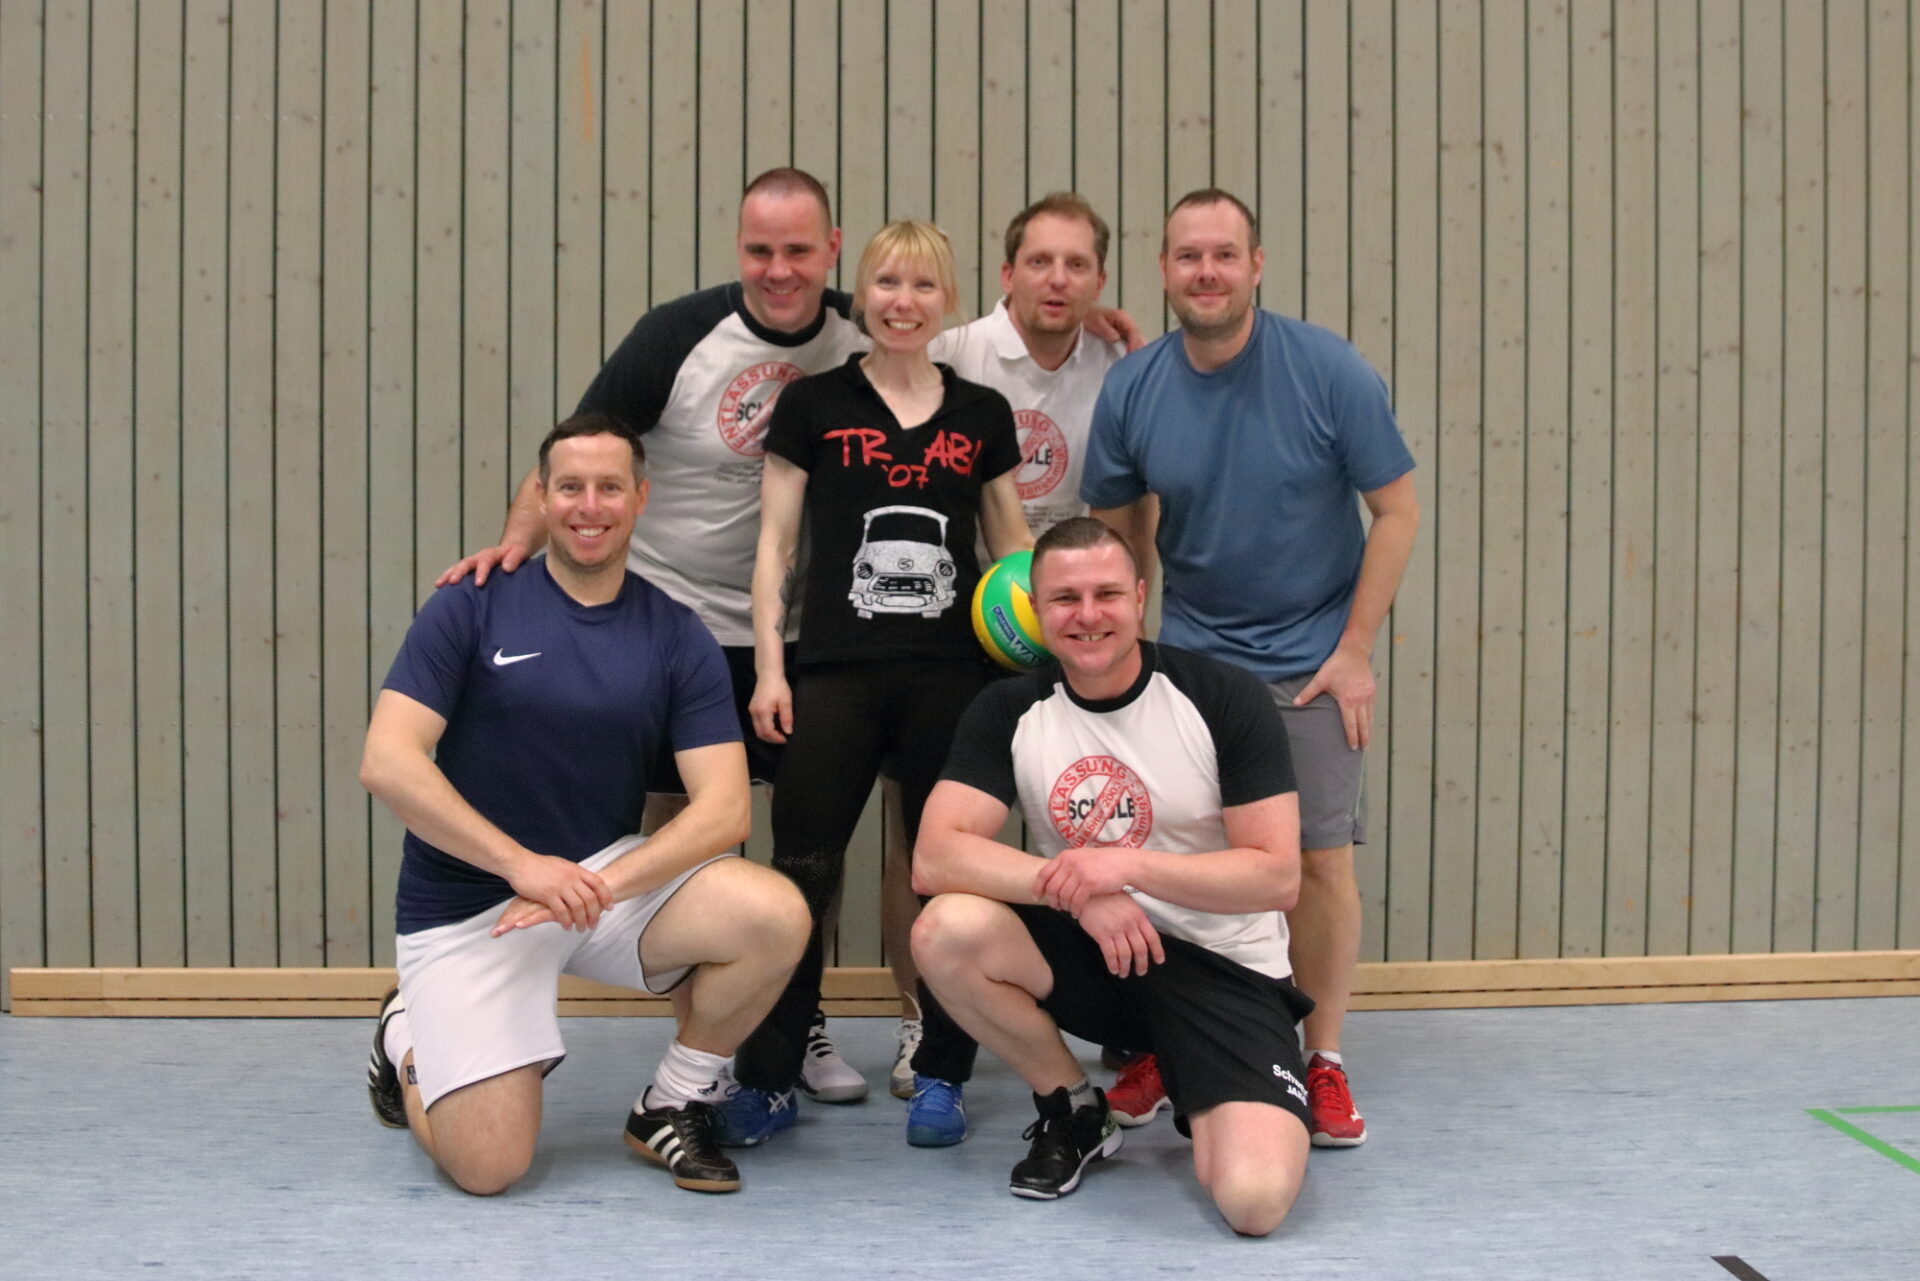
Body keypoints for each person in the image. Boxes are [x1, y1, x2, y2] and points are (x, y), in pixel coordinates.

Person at [436, 168, 877, 1105]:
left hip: (804, 635)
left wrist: (1083, 335)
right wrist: (511, 553)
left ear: (832, 250)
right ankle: (702, 1052)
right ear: (738, 248)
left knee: (810, 845)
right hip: (679, 625)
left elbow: (960, 352)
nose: (779, 269)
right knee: (680, 841)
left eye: (799, 251)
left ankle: (795, 1020)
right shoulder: (678, 335)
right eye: (760, 250)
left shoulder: (862, 334)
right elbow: (581, 443)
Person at [360, 413, 809, 1196]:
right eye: (570, 487)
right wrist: (523, 868)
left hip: (594, 887)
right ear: (541, 496)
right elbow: (388, 760)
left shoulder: (678, 634)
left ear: (641, 498)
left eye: (609, 487)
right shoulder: (470, 605)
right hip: (471, 903)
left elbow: (724, 811)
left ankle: (672, 1100)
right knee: (490, 1166)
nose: (589, 506)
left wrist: (594, 884)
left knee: (774, 913)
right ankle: (406, 1038)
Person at [1080, 188, 1419, 1148]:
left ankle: (1323, 1057)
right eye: (1188, 256)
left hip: (1310, 666)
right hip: (1192, 663)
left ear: (1256, 265)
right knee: (1183, 861)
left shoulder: (1329, 370)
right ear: (1164, 269)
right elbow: (1118, 528)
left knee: (1315, 862)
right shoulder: (1134, 388)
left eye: (1225, 255)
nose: (1207, 272)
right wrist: (1126, 660)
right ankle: (1179, 1041)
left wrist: (1355, 651)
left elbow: (1397, 511)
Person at [717, 219, 1031, 1151]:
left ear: (948, 302)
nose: (904, 301)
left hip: (953, 682)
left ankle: (941, 1073)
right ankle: (771, 1074)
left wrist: (1032, 674)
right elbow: (776, 547)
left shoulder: (983, 413)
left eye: (924, 286)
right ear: (864, 294)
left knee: (946, 882)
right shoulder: (814, 403)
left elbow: (1014, 553)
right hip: (834, 675)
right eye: (889, 283)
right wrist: (770, 667)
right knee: (801, 879)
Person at [911, 517, 1313, 1235]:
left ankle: (1210, 1079)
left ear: (1140, 596)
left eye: (1107, 594)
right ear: (1037, 610)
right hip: (1102, 956)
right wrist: (1084, 894)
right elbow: (936, 856)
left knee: (1253, 1202)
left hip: (1226, 970)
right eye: (1065, 598)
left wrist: (1126, 866)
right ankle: (1074, 1109)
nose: (1088, 615)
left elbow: (1276, 875)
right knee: (946, 928)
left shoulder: (1222, 696)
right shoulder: (1010, 709)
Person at [872, 192, 1157, 1101]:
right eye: (1040, 262)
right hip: (961, 627)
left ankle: (1128, 1012)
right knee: (929, 824)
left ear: (1100, 279)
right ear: (1007, 273)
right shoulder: (955, 350)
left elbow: (1138, 502)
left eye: (1076, 265)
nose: (1057, 280)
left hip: (1082, 624)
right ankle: (922, 1021)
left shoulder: (1121, 364)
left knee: (1102, 811)